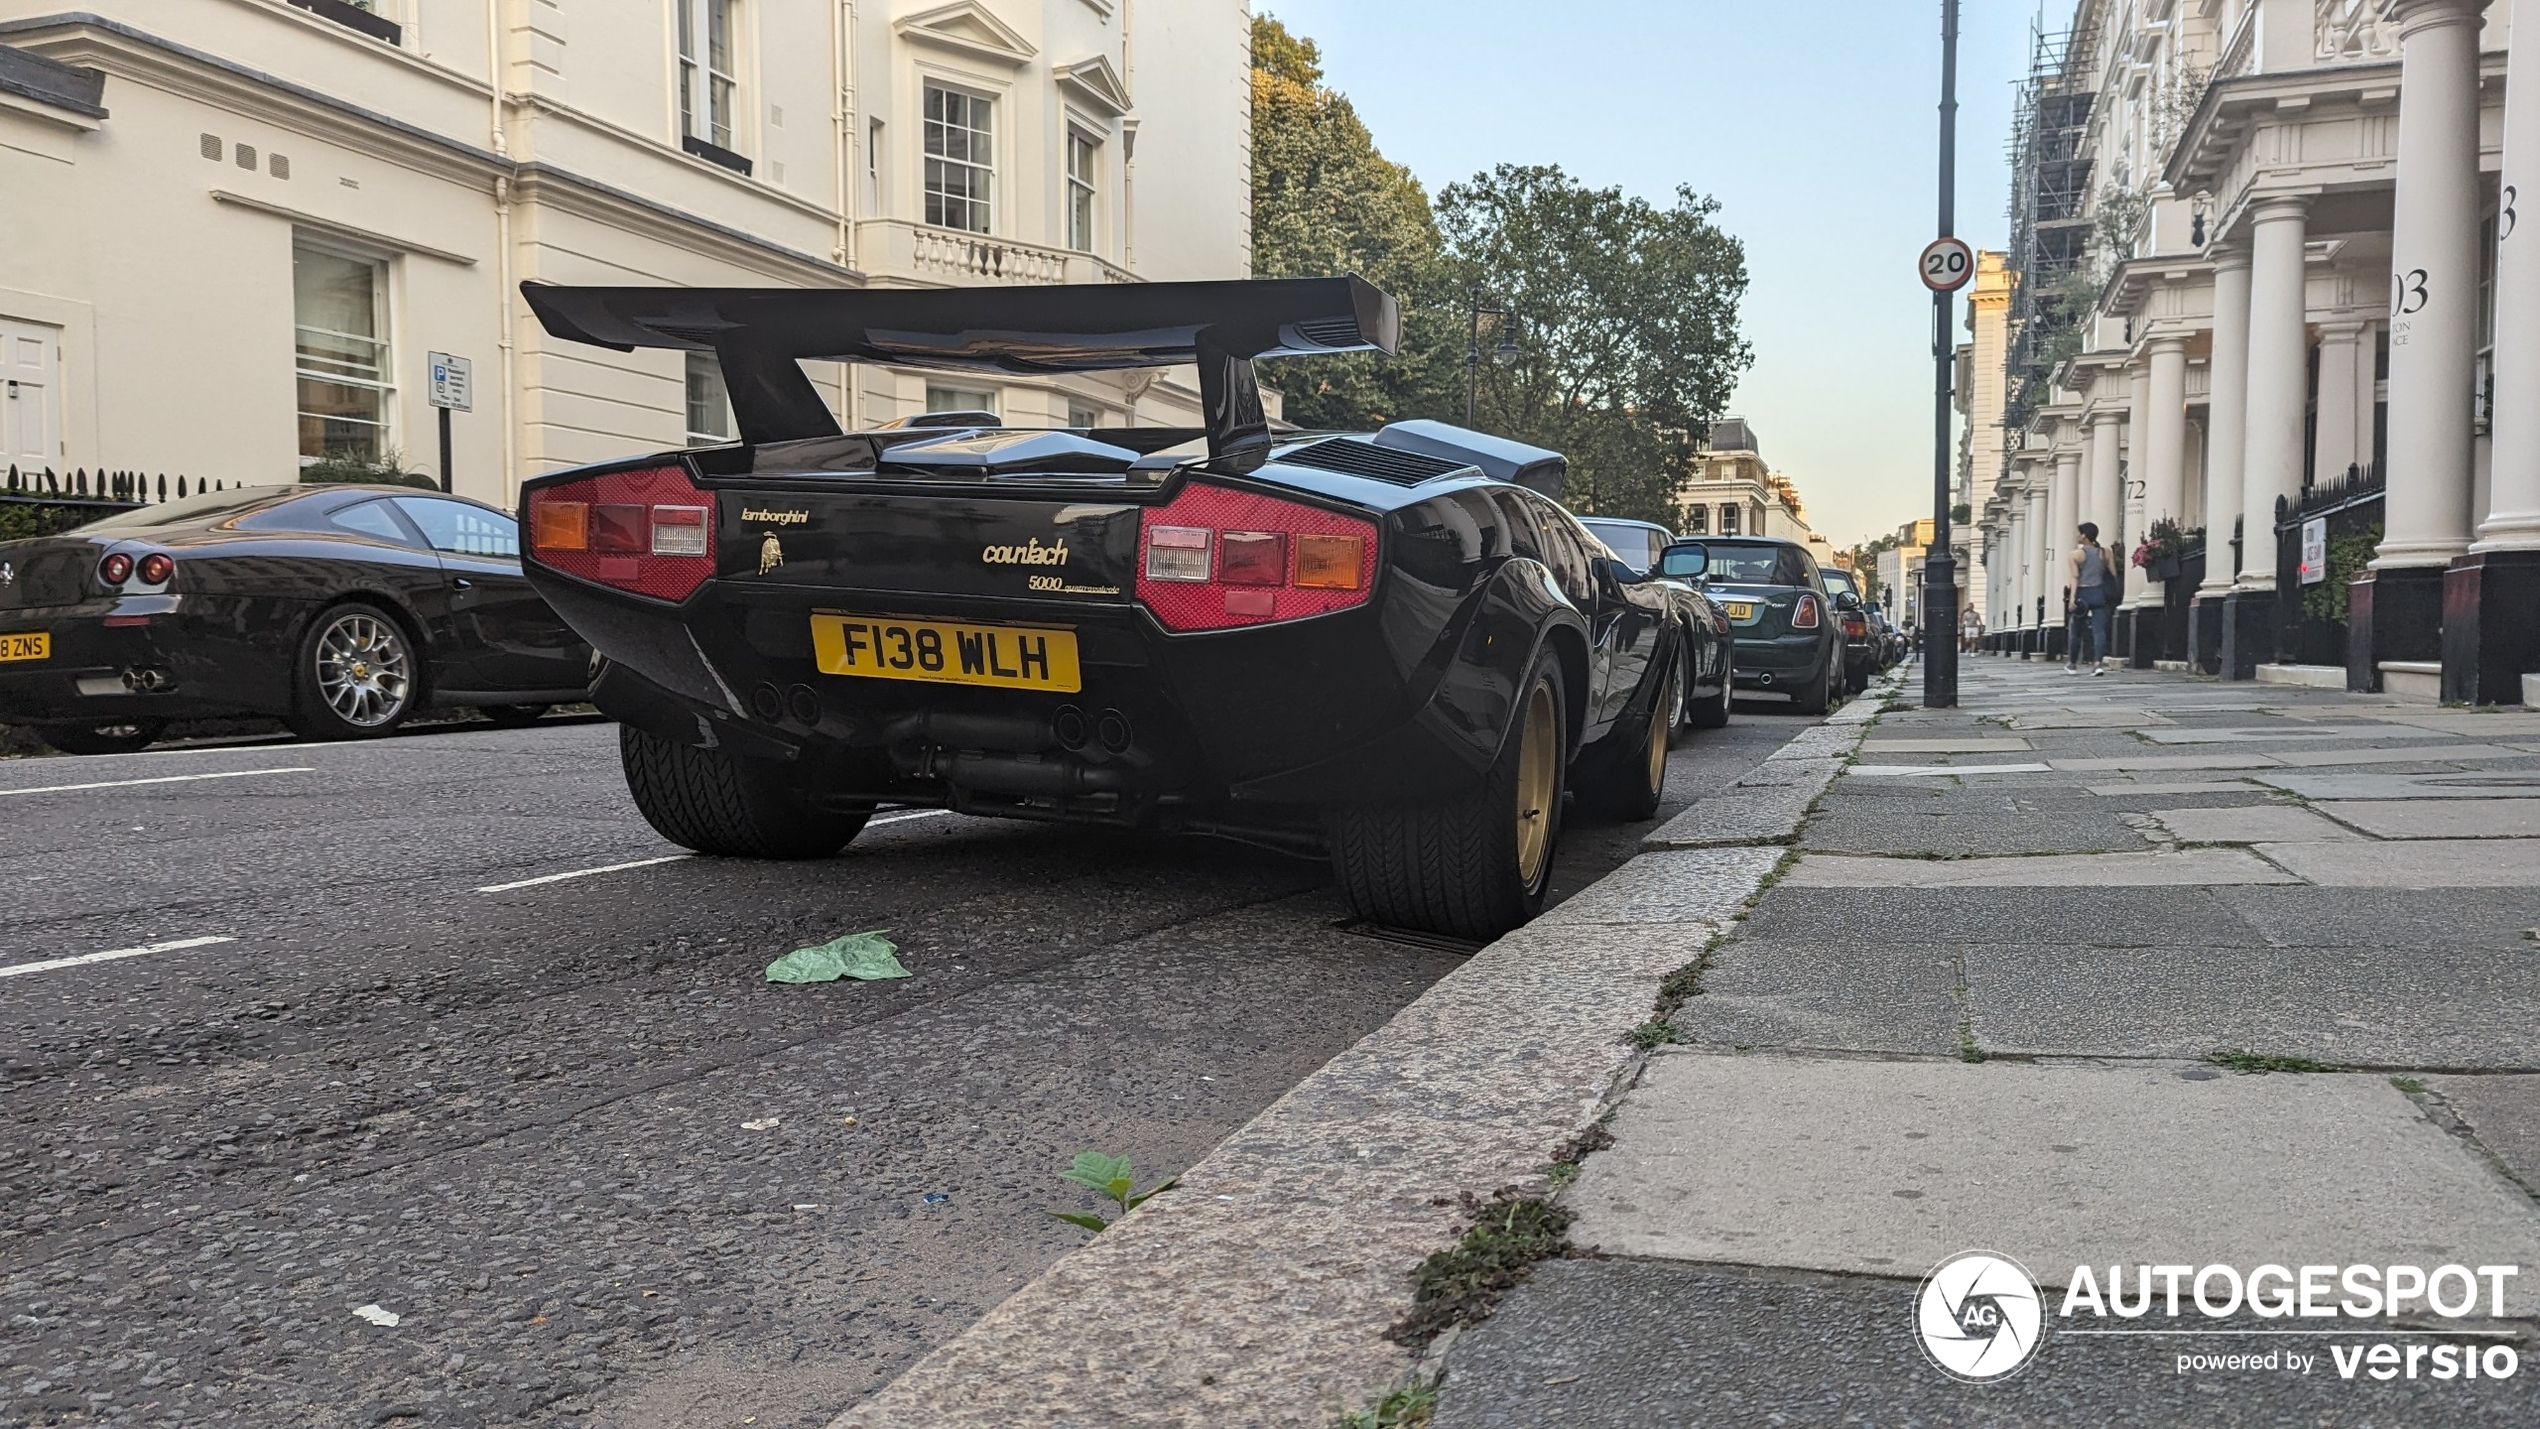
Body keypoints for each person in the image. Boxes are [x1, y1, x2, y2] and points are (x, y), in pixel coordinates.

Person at [2066, 522, 2117, 675]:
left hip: (2083, 594)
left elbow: (2075, 577)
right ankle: (2097, 664)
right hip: (2100, 594)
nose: (2076, 536)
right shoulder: (2106, 553)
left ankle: (2072, 664)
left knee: (2076, 630)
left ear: (2084, 536)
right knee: (2099, 630)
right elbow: (2113, 574)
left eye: (2078, 533)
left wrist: (2072, 598)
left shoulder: (2075, 555)